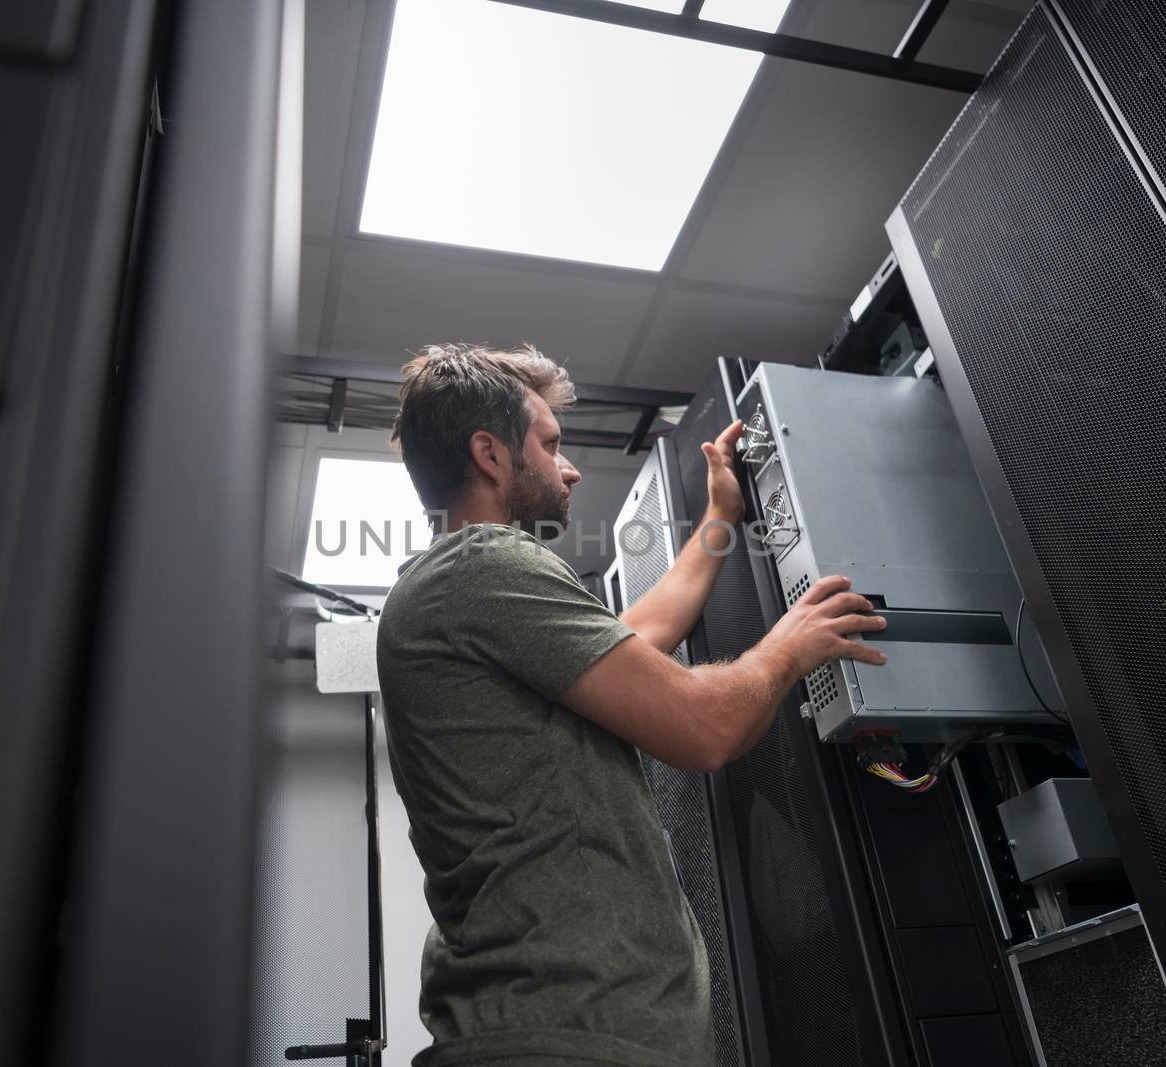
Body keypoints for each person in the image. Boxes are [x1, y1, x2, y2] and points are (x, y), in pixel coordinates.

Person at [377, 344, 887, 1067]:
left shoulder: (455, 588)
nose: (570, 466)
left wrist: (721, 516)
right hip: (571, 1037)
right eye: (550, 444)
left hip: (565, 1032)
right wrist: (791, 644)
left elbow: (639, 636)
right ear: (490, 455)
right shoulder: (483, 565)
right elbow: (706, 727)